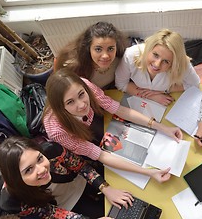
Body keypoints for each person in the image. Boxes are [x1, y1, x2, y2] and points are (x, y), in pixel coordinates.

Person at [43, 68, 182, 180]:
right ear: (61, 107)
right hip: (82, 140)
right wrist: (147, 172)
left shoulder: (83, 85)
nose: (81, 105)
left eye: (81, 95)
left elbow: (119, 109)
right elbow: (100, 155)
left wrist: (163, 127)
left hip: (98, 124)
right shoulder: (57, 130)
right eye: (70, 102)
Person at [0, 136, 132, 218]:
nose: (41, 169)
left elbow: (81, 167)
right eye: (29, 170)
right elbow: (50, 214)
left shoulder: (52, 150)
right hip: (67, 206)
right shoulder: (12, 201)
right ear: (15, 178)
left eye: (39, 159)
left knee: (129, 199)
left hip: (83, 182)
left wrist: (106, 188)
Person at [115, 29, 200, 106]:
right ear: (148, 49)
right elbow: (121, 84)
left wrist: (165, 90)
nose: (157, 64)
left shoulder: (182, 63)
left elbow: (194, 84)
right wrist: (153, 96)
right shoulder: (131, 55)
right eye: (155, 55)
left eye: (166, 61)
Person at [55, 21, 128, 90]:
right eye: (98, 49)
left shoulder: (121, 58)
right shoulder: (74, 66)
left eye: (110, 49)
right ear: (88, 48)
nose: (105, 56)